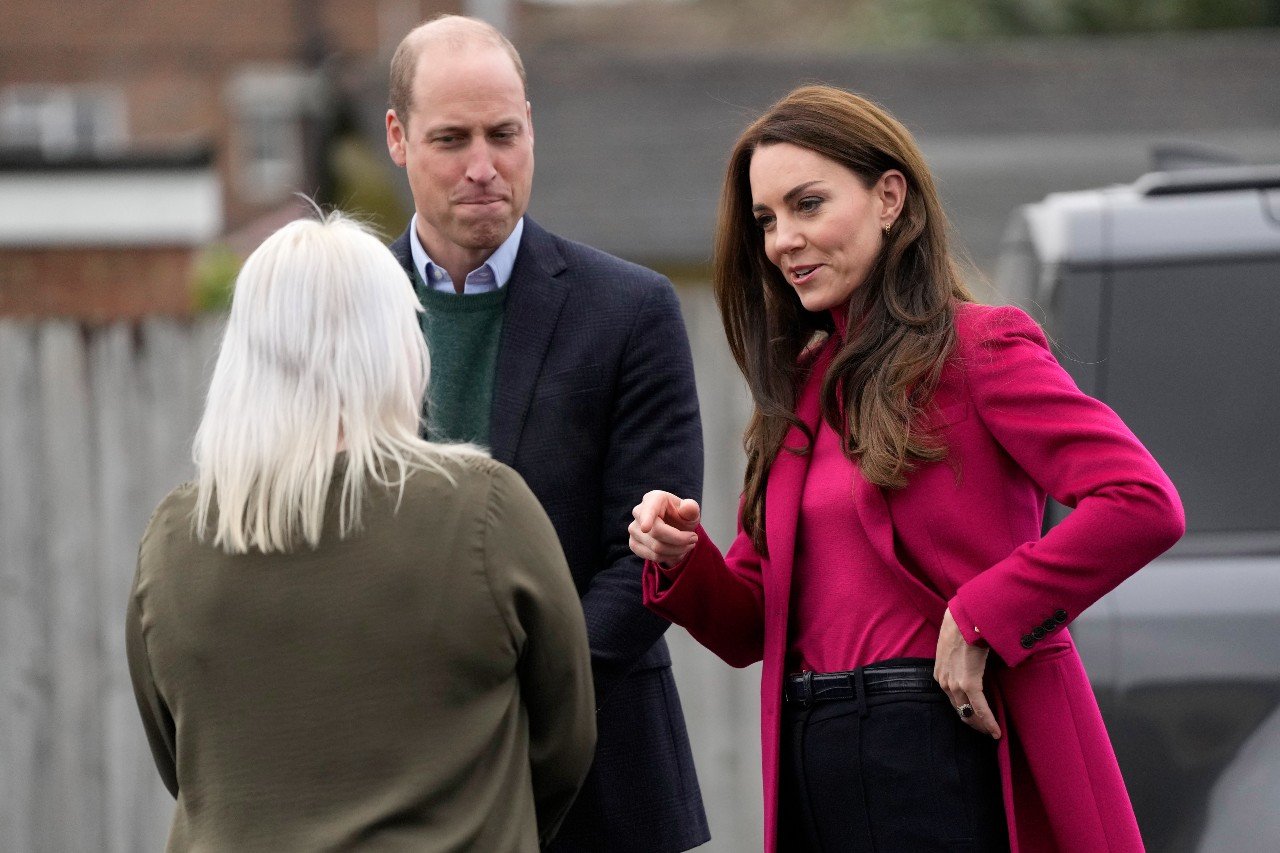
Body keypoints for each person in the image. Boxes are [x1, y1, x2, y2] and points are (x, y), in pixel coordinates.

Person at [629, 85, 1185, 853]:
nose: (784, 239)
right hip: (812, 760)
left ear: (890, 196)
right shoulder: (797, 390)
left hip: (940, 745)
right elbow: (751, 624)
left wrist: (985, 610)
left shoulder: (982, 347)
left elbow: (1142, 501)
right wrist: (686, 558)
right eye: (767, 220)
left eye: (808, 204)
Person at [125, 213, 596, 852]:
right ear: (395, 342)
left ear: (243, 354)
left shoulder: (173, 539)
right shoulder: (485, 511)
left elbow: (182, 763)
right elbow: (566, 741)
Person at [383, 14, 708, 853]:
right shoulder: (349, 311)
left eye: (505, 133)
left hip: (600, 778)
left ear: (533, 127)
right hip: (396, 780)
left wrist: (511, 692)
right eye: (451, 139)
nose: (483, 167)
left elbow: (648, 559)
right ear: (396, 137)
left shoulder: (630, 310)